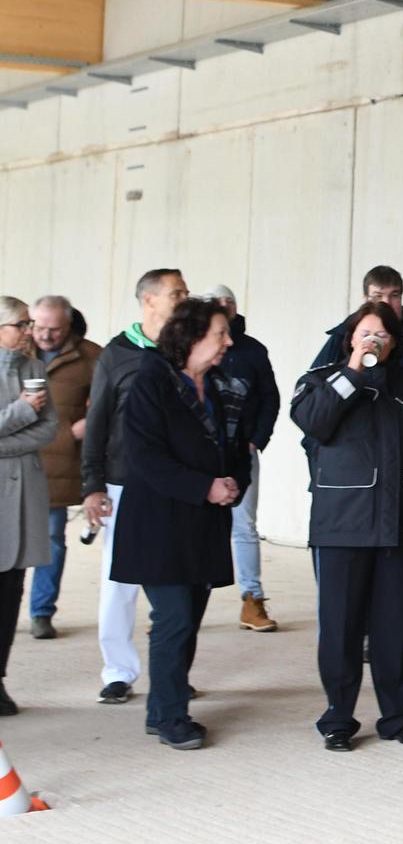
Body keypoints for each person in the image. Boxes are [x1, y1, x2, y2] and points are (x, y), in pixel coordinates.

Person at [292, 300, 403, 751]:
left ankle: (398, 717)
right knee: (340, 629)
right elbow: (313, 423)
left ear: (397, 343)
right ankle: (338, 717)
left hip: (401, 526)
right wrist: (354, 372)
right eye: (366, 333)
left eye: (383, 335)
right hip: (342, 527)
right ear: (349, 339)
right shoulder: (321, 381)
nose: (374, 341)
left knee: (393, 630)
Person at [112, 298, 249, 750]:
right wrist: (204, 486)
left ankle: (160, 711)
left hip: (203, 525)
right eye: (220, 334)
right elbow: (145, 457)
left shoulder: (224, 385)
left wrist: (232, 484)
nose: (228, 342)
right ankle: (172, 717)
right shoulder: (151, 380)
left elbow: (238, 444)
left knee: (188, 620)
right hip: (158, 524)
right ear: (191, 338)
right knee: (172, 619)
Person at [310, 265, 403, 665]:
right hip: (355, 486)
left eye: (393, 295)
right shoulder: (342, 340)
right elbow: (316, 412)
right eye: (377, 295)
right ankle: (364, 636)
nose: (386, 303)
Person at [82, 267, 189, 704]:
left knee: (176, 584)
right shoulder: (118, 354)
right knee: (119, 584)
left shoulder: (184, 352)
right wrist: (92, 485)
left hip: (177, 485)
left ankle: (171, 671)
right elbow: (97, 422)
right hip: (124, 484)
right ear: (150, 301)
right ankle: (118, 671)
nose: (185, 298)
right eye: (177, 292)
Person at [202, 286, 280, 634]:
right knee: (198, 526)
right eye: (215, 303)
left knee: (244, 525)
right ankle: (188, 599)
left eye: (228, 302)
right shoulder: (190, 348)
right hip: (200, 456)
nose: (223, 306)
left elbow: (270, 399)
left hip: (241, 453)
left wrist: (255, 441)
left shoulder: (253, 351)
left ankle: (252, 599)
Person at [27, 294, 99, 639]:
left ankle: (42, 612)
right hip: (10, 459)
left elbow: (109, 403)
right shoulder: (14, 351)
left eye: (53, 329)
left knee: (52, 541)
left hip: (56, 465)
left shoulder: (91, 357)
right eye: (38, 326)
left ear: (68, 325)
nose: (44, 335)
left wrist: (82, 428)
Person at [0, 299, 57, 713]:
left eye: (30, 323)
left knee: (11, 591)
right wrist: (21, 411)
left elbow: (50, 429)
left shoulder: (35, 369)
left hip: (24, 495)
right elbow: (32, 421)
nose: (29, 332)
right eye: (21, 324)